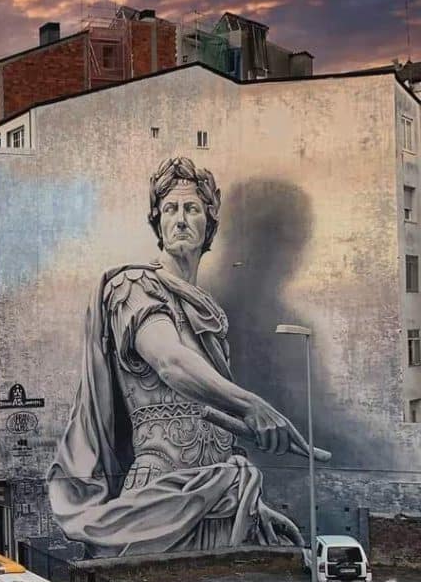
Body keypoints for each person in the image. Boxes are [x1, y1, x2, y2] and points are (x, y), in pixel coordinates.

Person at [48, 156, 308, 556]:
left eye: (192, 209)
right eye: (170, 209)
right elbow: (170, 361)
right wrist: (252, 405)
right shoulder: (132, 286)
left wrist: (255, 505)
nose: (180, 219)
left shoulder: (209, 313)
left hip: (222, 504)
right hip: (157, 502)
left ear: (210, 225)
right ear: (158, 223)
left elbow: (214, 422)